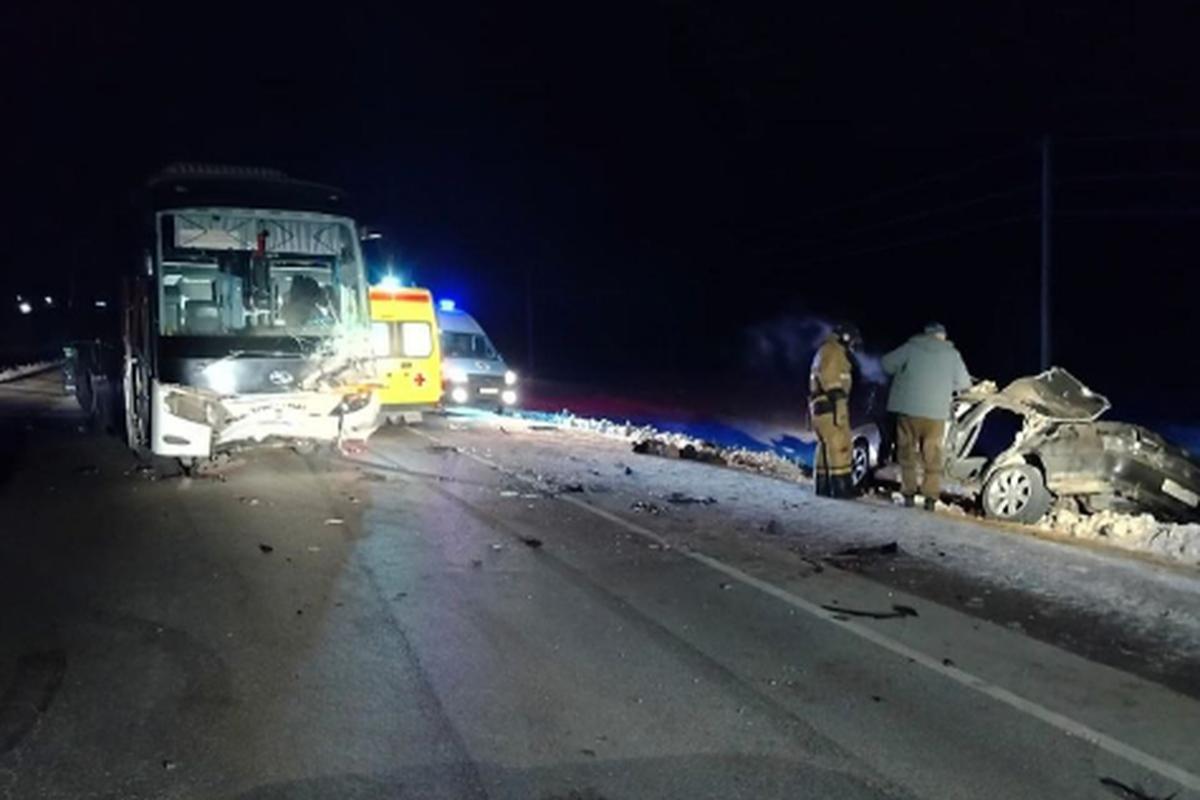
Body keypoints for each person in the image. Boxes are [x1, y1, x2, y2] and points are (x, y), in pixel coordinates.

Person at [881, 322, 972, 510]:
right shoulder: (952, 355)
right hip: (935, 414)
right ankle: (930, 498)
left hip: (908, 411)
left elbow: (886, 364)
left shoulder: (911, 347)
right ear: (941, 336)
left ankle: (908, 495)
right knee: (932, 455)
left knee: (906, 452)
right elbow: (964, 383)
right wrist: (945, 385)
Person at [809, 322, 861, 498]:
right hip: (831, 406)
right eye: (852, 341)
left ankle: (822, 486)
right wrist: (841, 410)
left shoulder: (825, 350)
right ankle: (841, 489)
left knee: (825, 446)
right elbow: (832, 381)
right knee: (840, 445)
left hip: (820, 406)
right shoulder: (834, 351)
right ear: (845, 337)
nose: (853, 345)